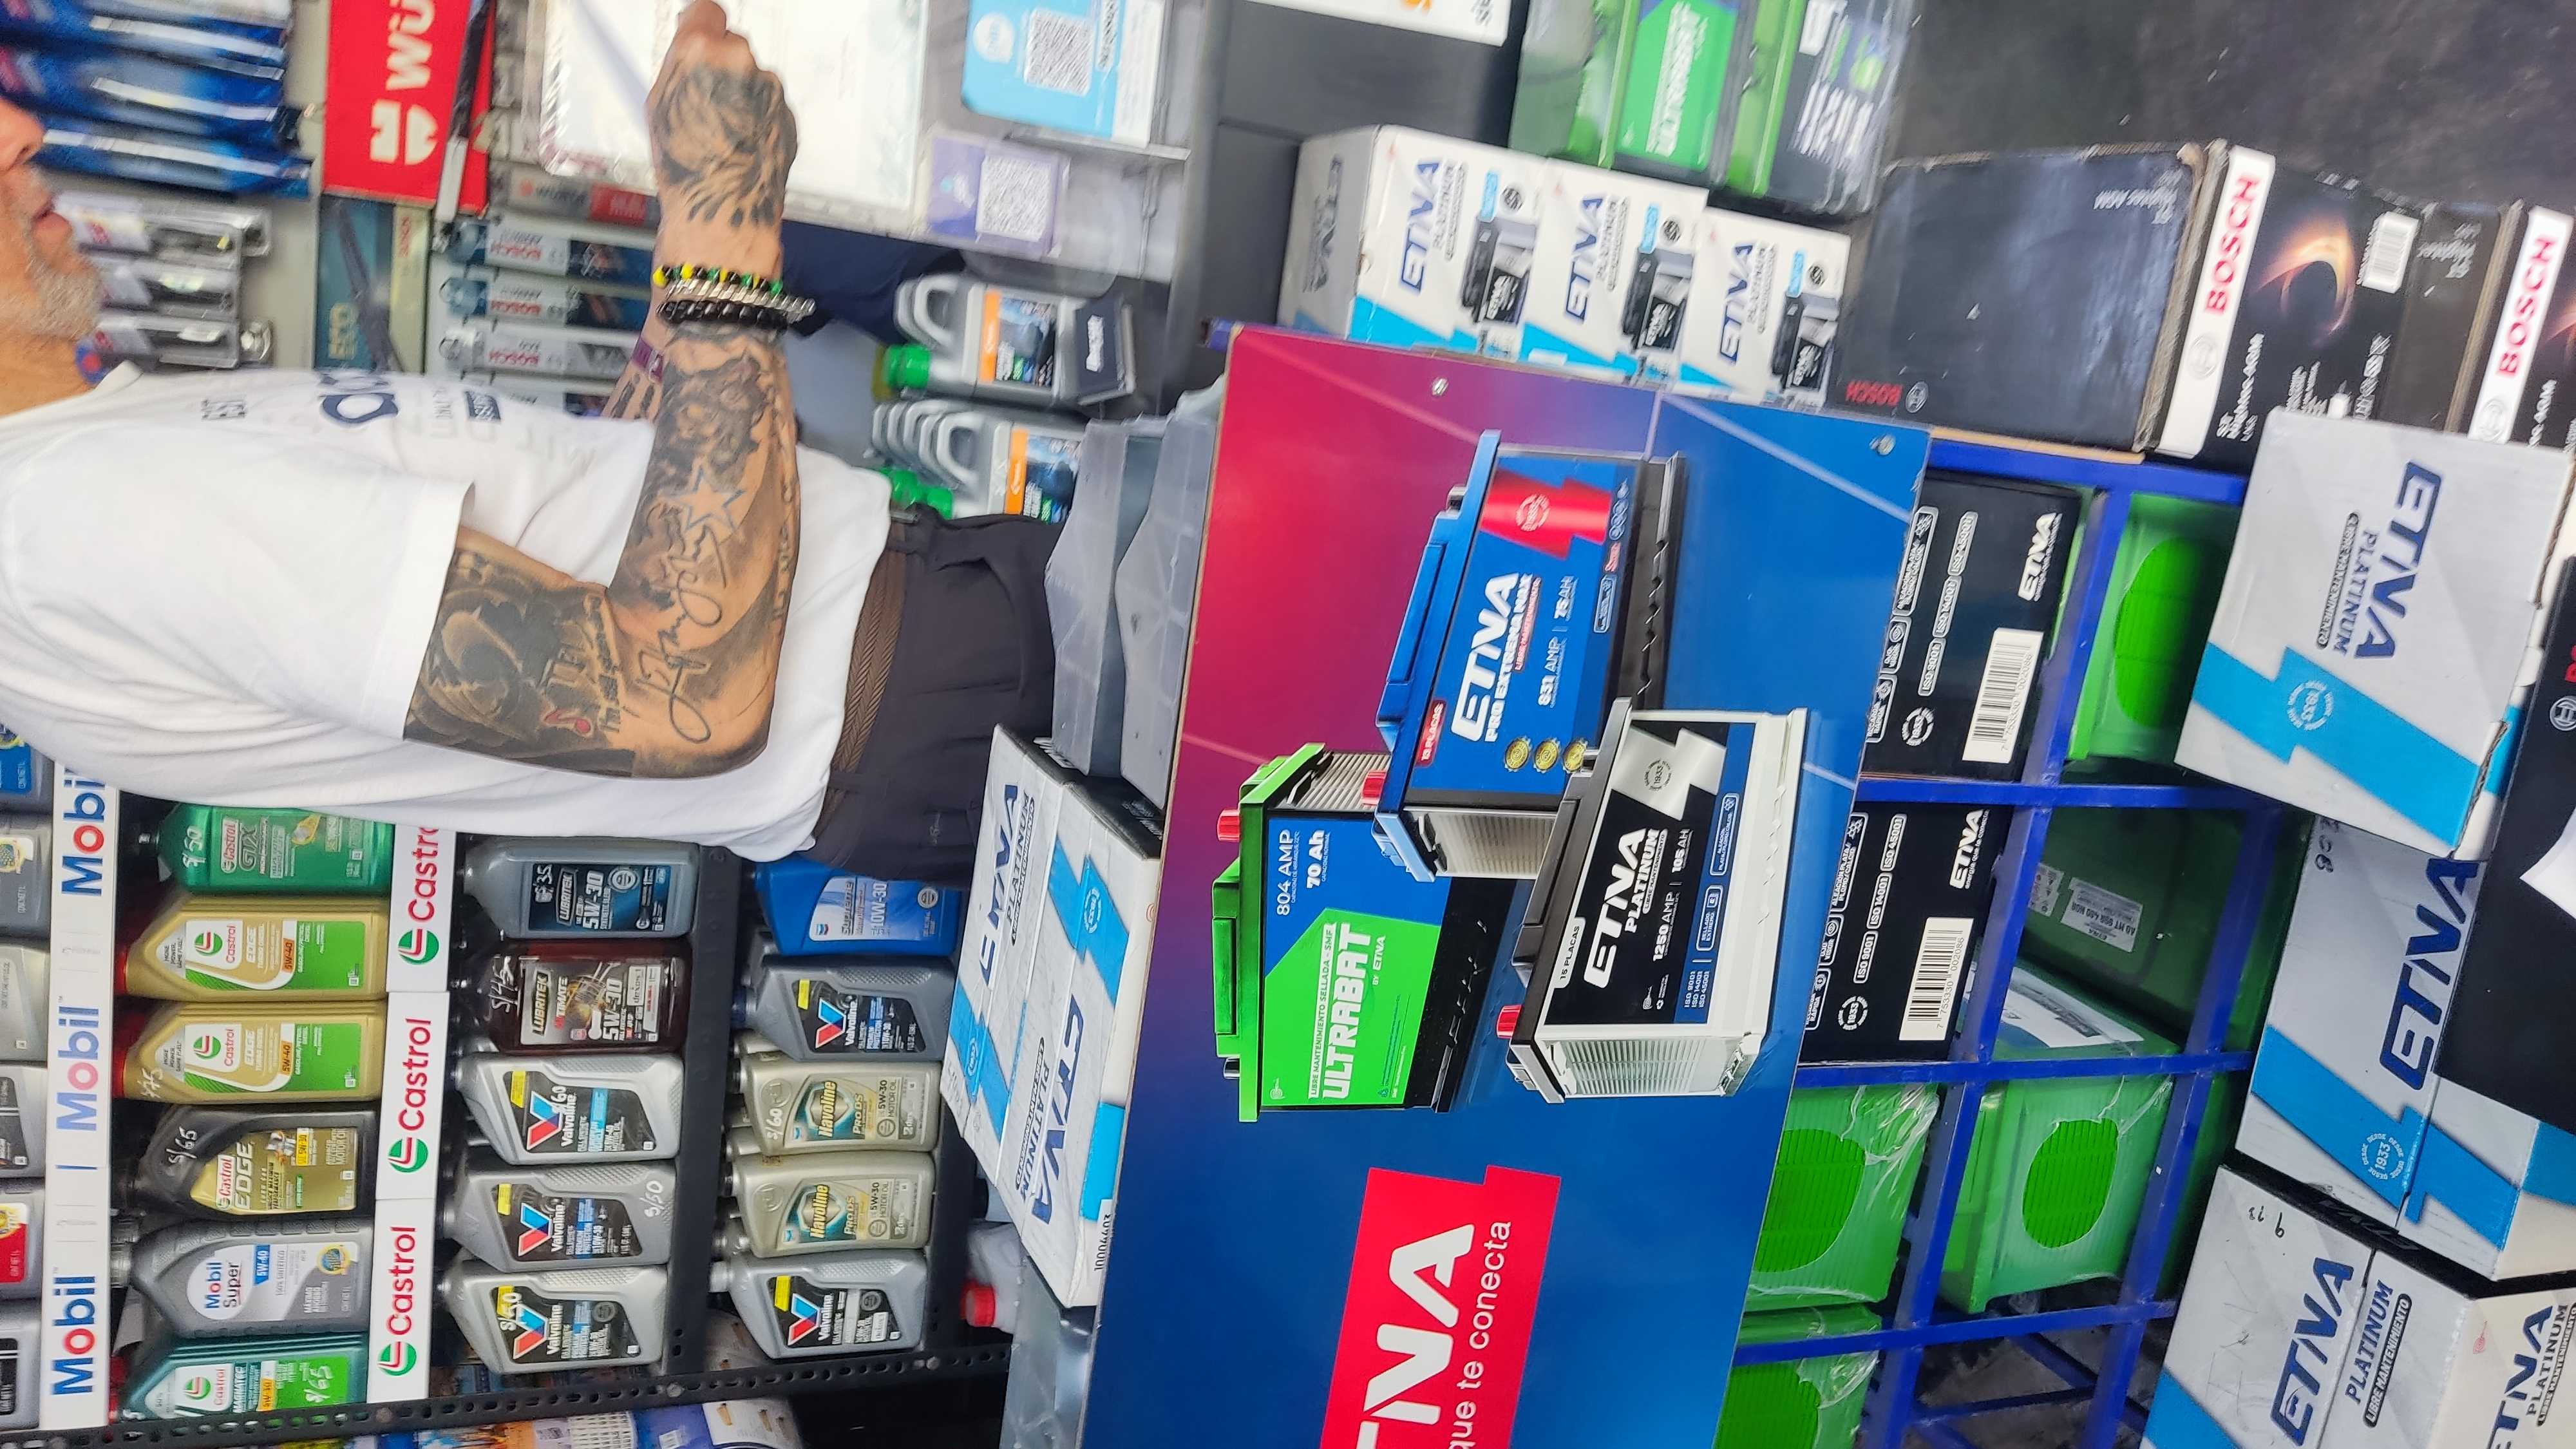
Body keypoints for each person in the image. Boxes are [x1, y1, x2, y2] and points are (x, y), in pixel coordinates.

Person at [0, 1, 1054, 878]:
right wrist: (719, 238)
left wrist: (671, 325)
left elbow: (590, 531)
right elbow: (678, 697)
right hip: (919, 686)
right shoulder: (70, 518)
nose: (21, 132)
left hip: (919, 645)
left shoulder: (83, 467)